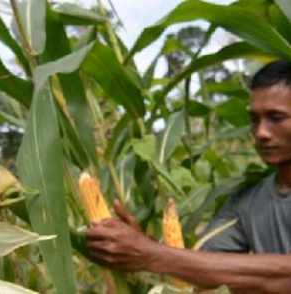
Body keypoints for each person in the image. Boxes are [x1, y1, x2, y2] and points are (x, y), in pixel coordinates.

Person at [86, 59, 291, 294]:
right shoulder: (246, 202)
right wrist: (139, 246)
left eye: (276, 118)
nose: (261, 133)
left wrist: (151, 254)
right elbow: (198, 266)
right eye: (254, 120)